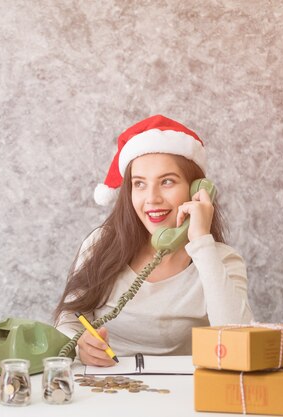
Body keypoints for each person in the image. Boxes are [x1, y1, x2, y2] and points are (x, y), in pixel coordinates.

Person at [53, 115, 253, 366]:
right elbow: (69, 317)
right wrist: (79, 342)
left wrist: (201, 241)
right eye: (139, 184)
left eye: (167, 181)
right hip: (106, 389)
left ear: (196, 189)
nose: (152, 198)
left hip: (184, 395)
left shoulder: (221, 259)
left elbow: (238, 340)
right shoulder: (100, 244)